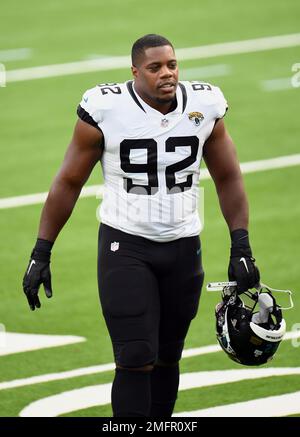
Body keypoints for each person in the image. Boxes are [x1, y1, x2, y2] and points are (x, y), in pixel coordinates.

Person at [22, 34, 260, 417]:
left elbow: (229, 176)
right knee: (135, 356)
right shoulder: (105, 108)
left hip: (184, 246)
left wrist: (241, 246)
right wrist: (41, 252)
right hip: (126, 246)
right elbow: (68, 182)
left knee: (168, 356)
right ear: (135, 72)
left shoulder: (205, 104)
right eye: (154, 68)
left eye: (172, 65)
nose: (166, 74)